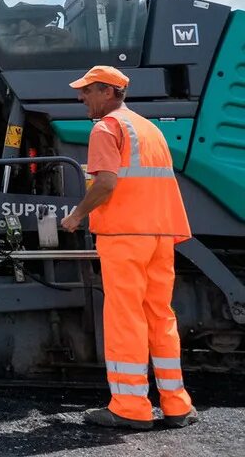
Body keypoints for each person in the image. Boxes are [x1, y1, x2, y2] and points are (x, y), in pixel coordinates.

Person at [60, 66, 196, 430]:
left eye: (87, 91)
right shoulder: (148, 129)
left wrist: (76, 216)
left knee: (125, 318)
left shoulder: (106, 128)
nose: (81, 98)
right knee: (160, 317)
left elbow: (105, 183)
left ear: (107, 92)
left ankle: (129, 407)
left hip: (125, 236)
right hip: (160, 234)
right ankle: (176, 404)